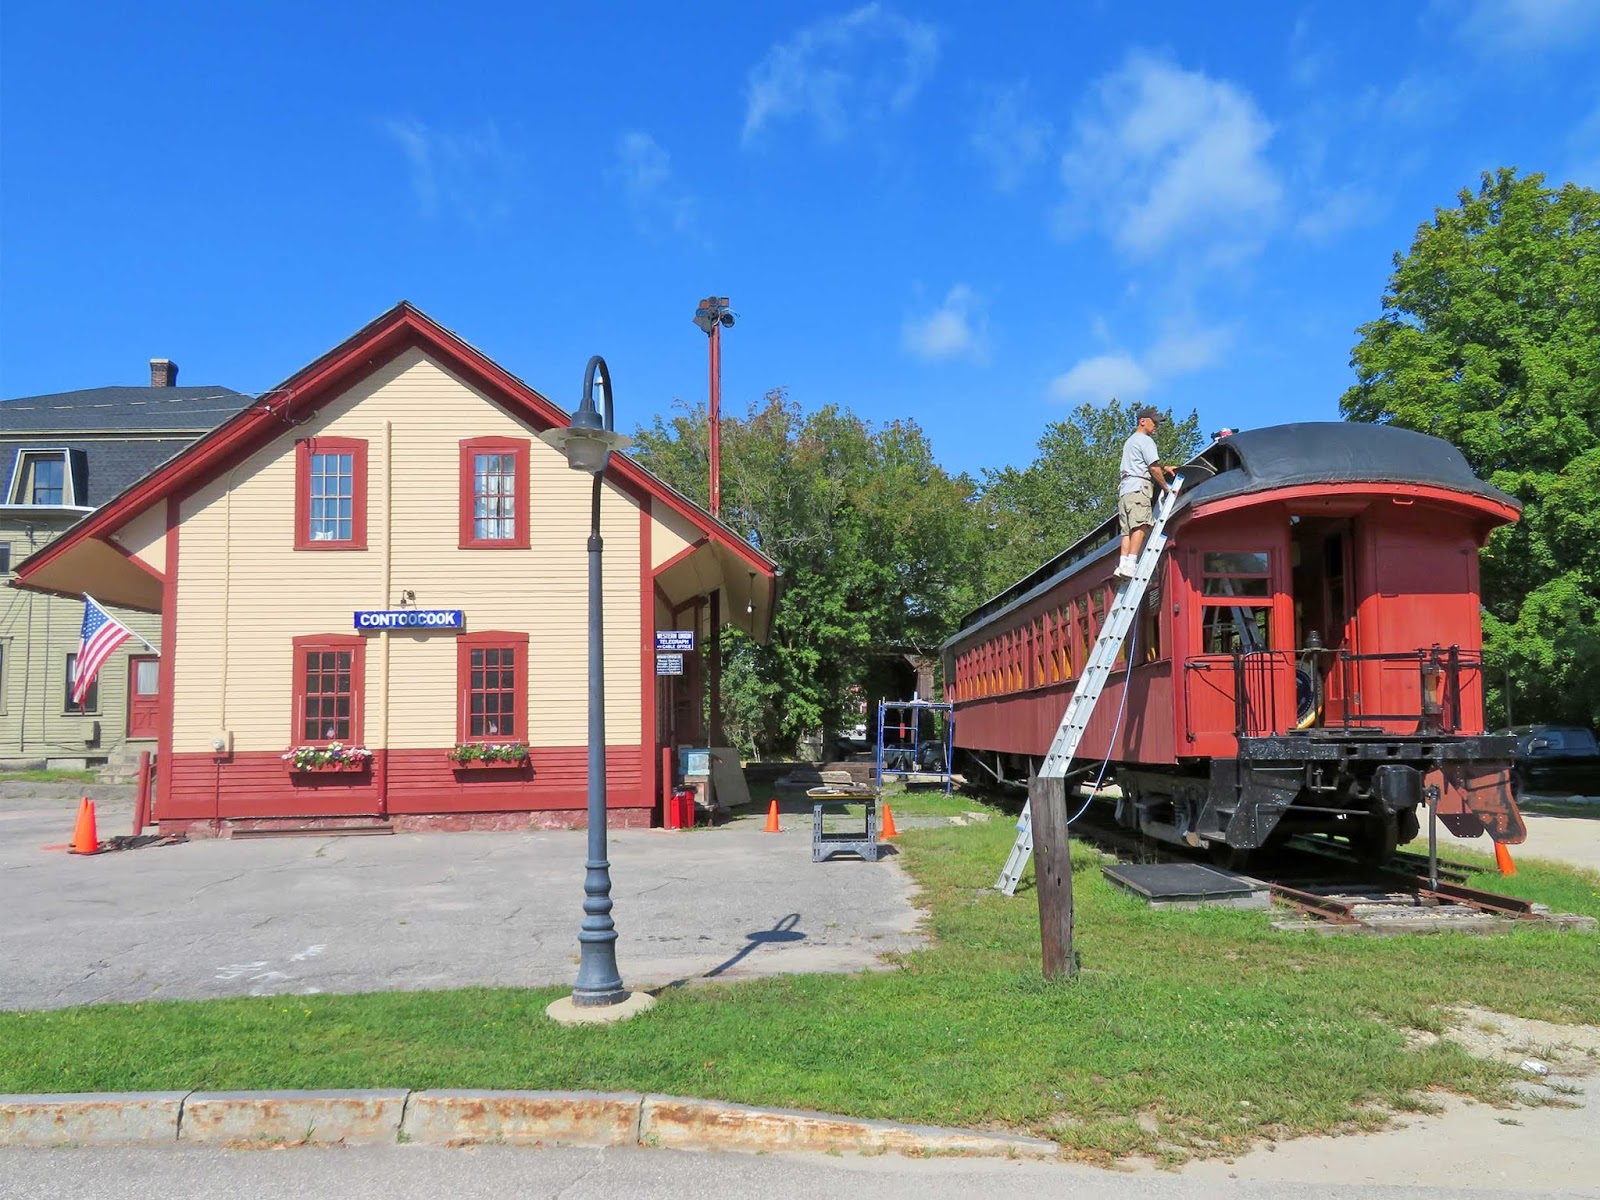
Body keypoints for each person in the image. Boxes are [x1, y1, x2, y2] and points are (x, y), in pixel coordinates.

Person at [1115, 407, 1177, 580]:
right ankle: (1131, 564)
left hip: (1126, 490)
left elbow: (1143, 463)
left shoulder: (1130, 441)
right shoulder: (1146, 440)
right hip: (1139, 487)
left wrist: (1165, 467)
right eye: (1154, 422)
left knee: (1127, 530)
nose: (1156, 426)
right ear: (1143, 421)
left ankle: (1123, 564)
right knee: (1141, 525)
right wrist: (1166, 488)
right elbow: (1152, 467)